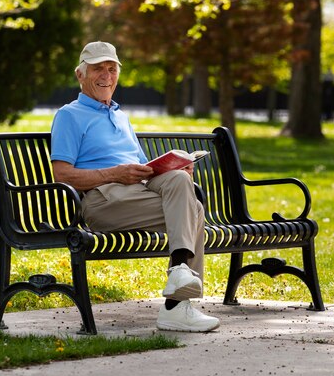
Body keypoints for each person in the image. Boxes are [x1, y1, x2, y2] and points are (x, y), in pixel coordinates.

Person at [50, 41, 219, 332]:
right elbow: (62, 175)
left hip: (138, 193)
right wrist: (114, 173)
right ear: (80, 74)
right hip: (102, 202)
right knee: (195, 210)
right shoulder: (69, 115)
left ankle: (179, 278)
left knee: (182, 182)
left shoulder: (121, 116)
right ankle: (177, 309)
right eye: (97, 69)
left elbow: (143, 169)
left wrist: (176, 166)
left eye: (111, 68)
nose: (106, 75)